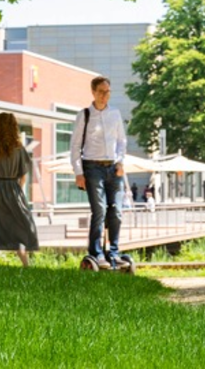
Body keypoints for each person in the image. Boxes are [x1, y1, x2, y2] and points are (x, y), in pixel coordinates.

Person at [69, 76, 128, 267]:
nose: (105, 95)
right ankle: (96, 252)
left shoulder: (115, 114)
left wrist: (120, 162)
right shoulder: (84, 115)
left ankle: (114, 252)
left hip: (113, 167)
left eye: (108, 91)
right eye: (101, 91)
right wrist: (78, 172)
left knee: (117, 211)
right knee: (99, 210)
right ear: (93, 92)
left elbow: (121, 142)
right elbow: (75, 146)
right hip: (92, 167)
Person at [0, 112, 39, 266]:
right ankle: (26, 265)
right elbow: (24, 177)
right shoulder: (20, 150)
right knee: (17, 230)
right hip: (13, 190)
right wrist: (17, 191)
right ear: (14, 128)